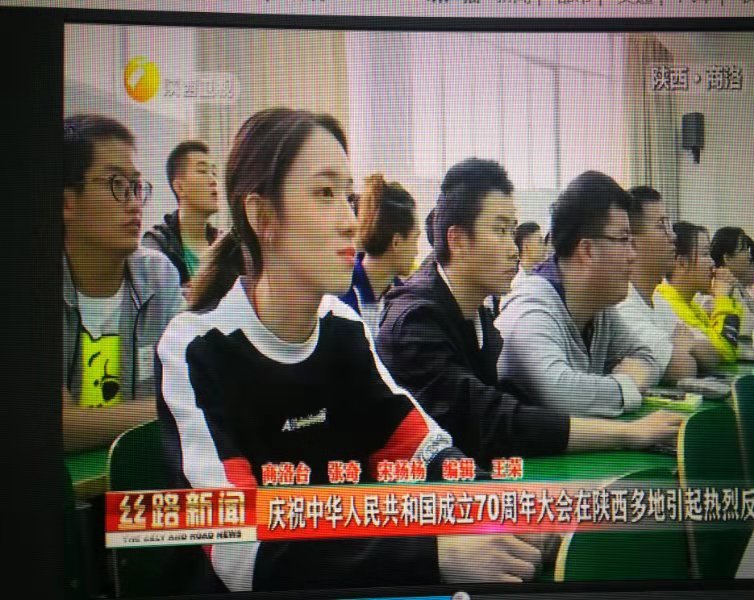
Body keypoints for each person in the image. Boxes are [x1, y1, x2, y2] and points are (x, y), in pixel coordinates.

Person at [156, 109, 552, 592]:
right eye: (325, 194)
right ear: (262, 216)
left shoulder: (342, 327)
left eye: (347, 197)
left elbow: (422, 448)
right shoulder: (195, 348)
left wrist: (500, 503)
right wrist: (434, 555)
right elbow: (240, 552)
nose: (351, 222)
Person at [377, 160, 682, 467]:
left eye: (511, 231)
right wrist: (627, 433)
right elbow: (492, 422)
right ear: (457, 240)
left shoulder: (477, 315)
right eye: (500, 231)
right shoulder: (414, 321)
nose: (513, 249)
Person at [62, 115, 183, 452]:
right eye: (116, 184)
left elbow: (195, 385)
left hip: (140, 473)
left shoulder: (158, 276)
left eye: (136, 186)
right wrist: (166, 410)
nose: (133, 202)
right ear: (66, 202)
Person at [496, 171, 660, 417]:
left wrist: (638, 375)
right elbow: (559, 393)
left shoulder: (599, 308)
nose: (633, 255)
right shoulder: (530, 306)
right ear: (587, 250)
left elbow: (647, 359)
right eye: (624, 239)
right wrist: (627, 384)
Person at [616, 186, 697, 384]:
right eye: (662, 226)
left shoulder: (658, 300)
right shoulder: (623, 305)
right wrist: (681, 349)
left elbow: (713, 352)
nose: (673, 236)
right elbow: (682, 368)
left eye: (669, 225)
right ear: (632, 242)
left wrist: (682, 348)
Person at [339, 174, 420, 336]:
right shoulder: (340, 294)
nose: (417, 252)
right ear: (396, 242)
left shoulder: (404, 299)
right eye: (415, 239)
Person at [653, 222, 742, 367]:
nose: (712, 263)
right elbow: (726, 351)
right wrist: (722, 298)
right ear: (682, 262)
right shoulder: (669, 305)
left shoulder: (689, 303)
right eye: (705, 254)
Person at [143, 140, 220, 288]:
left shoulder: (224, 244)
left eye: (214, 173)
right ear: (179, 187)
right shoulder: (157, 243)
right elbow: (156, 296)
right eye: (202, 171)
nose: (213, 180)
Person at [707, 226, 754, 335]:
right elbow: (746, 327)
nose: (748, 255)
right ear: (727, 258)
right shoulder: (718, 289)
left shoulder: (735, 283)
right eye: (743, 250)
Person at [510, 221, 546, 289]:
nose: (544, 247)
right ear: (526, 246)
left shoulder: (541, 275)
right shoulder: (518, 283)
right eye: (540, 241)